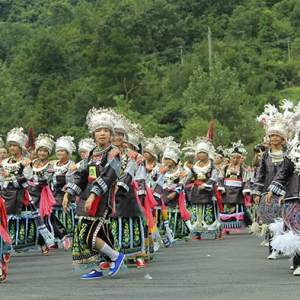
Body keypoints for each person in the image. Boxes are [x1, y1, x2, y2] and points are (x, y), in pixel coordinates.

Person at [63, 108, 123, 279]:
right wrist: (68, 193)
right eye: (98, 130)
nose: (102, 134)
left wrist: (93, 195)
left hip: (101, 198)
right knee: (82, 233)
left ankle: (115, 256)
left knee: (91, 235)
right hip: (85, 197)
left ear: (111, 134)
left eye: (105, 130)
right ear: (93, 134)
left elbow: (109, 176)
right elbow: (81, 175)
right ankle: (96, 268)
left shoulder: (113, 153)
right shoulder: (91, 154)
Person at [251, 115, 292, 259]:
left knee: (286, 220)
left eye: (277, 135)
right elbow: (260, 174)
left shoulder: (289, 154)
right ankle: (273, 248)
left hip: (286, 191)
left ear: (282, 138)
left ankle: (288, 248)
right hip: (268, 191)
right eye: (272, 135)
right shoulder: (266, 156)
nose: (274, 138)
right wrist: (256, 192)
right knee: (271, 220)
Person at [0, 128, 34, 254]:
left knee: (19, 219)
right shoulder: (4, 162)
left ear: (20, 147)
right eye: (10, 145)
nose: (12, 148)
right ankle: (6, 242)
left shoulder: (26, 162)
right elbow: (1, 177)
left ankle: (18, 242)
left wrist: (10, 179)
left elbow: (27, 176)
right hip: (5, 193)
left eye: (15, 145)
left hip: (19, 194)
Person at [185, 137, 222, 241]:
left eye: (203, 153)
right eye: (200, 153)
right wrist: (183, 185)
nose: (201, 155)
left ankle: (216, 232)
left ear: (207, 154)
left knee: (210, 210)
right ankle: (197, 233)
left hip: (208, 191)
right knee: (196, 211)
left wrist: (205, 185)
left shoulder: (211, 166)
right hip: (196, 190)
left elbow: (214, 178)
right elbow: (188, 177)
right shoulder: (194, 167)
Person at [27, 134, 57, 255]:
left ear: (48, 153)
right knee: (30, 218)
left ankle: (44, 243)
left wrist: (31, 179)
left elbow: (44, 180)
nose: (42, 153)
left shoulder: (50, 165)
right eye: (40, 150)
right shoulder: (31, 163)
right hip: (29, 193)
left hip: (41, 195)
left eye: (45, 151)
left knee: (42, 219)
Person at [49, 136, 76, 249]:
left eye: (62, 150)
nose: (59, 153)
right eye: (58, 151)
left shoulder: (71, 165)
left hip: (66, 194)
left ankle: (70, 239)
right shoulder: (53, 164)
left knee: (67, 218)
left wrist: (68, 187)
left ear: (67, 152)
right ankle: (55, 239)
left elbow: (74, 178)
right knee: (54, 217)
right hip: (54, 194)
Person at [218, 141, 251, 233]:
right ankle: (226, 228)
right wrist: (222, 188)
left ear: (240, 158)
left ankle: (240, 225)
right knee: (227, 209)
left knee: (239, 208)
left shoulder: (242, 169)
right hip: (227, 191)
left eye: (237, 158)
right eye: (234, 158)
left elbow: (246, 179)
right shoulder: (225, 168)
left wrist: (245, 189)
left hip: (238, 191)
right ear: (230, 158)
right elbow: (220, 177)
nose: (235, 160)